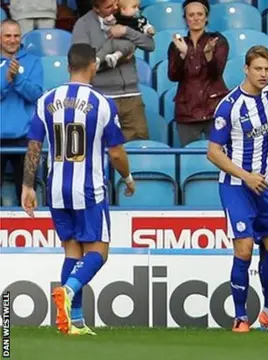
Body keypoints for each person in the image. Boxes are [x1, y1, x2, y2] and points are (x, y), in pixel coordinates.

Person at [21, 43, 135, 336]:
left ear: (69, 65)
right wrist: (127, 176)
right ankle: (68, 290)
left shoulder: (46, 100)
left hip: (57, 189)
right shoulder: (102, 103)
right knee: (98, 251)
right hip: (89, 189)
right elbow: (117, 152)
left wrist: (27, 185)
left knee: (72, 251)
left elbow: (34, 146)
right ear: (93, 65)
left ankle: (74, 320)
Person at [207, 45, 268, 333]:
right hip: (237, 187)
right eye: (257, 68)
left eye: (267, 69)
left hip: (265, 186)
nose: (263, 74)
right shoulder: (230, 106)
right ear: (246, 69)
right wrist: (246, 176)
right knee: (245, 249)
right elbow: (213, 152)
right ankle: (240, 317)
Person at [72, 0, 155, 141]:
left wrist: (126, 31)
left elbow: (150, 44)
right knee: (103, 147)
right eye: (109, 7)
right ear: (96, 8)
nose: (115, 8)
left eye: (115, 3)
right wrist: (117, 59)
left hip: (131, 97)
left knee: (138, 145)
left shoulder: (126, 15)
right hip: (102, 97)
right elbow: (84, 64)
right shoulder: (83, 25)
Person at [168, 0, 229, 146]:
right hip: (187, 111)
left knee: (219, 157)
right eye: (191, 15)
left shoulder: (217, 40)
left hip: (214, 109)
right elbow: (173, 75)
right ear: (185, 19)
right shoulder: (177, 44)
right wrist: (182, 55)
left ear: (206, 17)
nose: (196, 18)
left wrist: (204, 55)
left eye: (200, 14)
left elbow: (216, 72)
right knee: (189, 160)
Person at [0, 19, 43, 205]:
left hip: (25, 137)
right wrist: (6, 80)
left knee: (26, 195)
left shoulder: (33, 62)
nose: (12, 40)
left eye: (16, 36)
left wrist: (17, 79)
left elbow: (36, 95)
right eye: (7, 36)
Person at [97, 0, 155, 69]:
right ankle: (98, 59)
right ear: (123, 9)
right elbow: (105, 26)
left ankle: (115, 56)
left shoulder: (140, 19)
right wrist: (107, 22)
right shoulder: (115, 17)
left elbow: (150, 43)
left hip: (128, 43)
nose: (137, 10)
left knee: (128, 46)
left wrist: (149, 30)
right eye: (134, 7)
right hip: (114, 41)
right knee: (106, 47)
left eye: (138, 7)